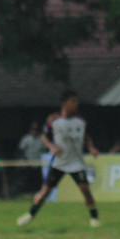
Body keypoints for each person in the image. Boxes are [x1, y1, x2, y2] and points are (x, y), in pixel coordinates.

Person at [17, 91, 101, 228]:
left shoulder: (80, 120)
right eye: (73, 101)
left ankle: (95, 217)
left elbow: (86, 136)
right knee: (45, 192)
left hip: (76, 163)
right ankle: (30, 214)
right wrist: (52, 147)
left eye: (76, 101)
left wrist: (91, 148)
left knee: (85, 190)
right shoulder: (53, 119)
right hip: (59, 163)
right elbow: (44, 136)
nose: (76, 104)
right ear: (65, 103)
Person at [17, 121, 47, 192]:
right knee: (27, 178)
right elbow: (20, 150)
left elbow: (46, 151)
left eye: (36, 129)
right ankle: (27, 191)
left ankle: (37, 191)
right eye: (33, 129)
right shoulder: (26, 138)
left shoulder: (42, 139)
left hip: (39, 163)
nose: (35, 131)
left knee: (38, 179)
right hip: (28, 162)